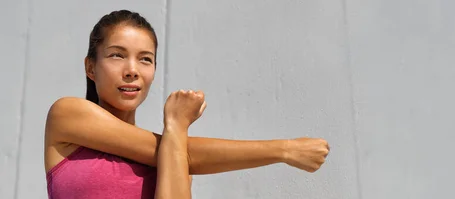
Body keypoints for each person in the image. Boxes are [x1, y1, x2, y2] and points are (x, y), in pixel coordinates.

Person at [44, 10, 330, 198]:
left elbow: (179, 154)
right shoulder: (68, 114)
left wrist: (176, 132)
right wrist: (285, 149)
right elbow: (179, 152)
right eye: (117, 55)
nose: (132, 69)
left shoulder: (174, 155)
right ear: (90, 68)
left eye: (145, 59)